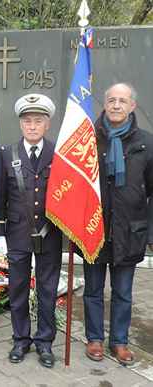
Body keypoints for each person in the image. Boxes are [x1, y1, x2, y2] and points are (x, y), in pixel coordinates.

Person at [84, 83, 153, 366]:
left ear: (132, 106)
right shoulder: (87, 140)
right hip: (93, 229)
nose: (115, 105)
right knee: (92, 290)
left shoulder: (146, 143)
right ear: (105, 102)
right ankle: (94, 338)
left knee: (123, 292)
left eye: (122, 101)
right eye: (111, 99)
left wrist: (150, 230)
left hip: (129, 230)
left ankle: (120, 342)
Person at [0, 94, 62, 368]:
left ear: (47, 125)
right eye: (27, 121)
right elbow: (0, 194)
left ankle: (45, 342)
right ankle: (21, 340)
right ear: (20, 125)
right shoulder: (6, 154)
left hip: (50, 233)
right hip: (18, 233)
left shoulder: (60, 154)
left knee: (47, 290)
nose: (32, 126)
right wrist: (0, 233)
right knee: (18, 288)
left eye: (38, 121)